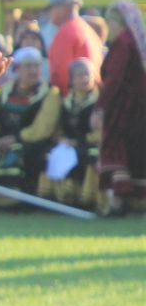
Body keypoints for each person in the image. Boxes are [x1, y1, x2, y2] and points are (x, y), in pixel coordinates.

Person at [0, 49, 59, 195]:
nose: (33, 70)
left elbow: (43, 128)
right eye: (28, 66)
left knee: (18, 153)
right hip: (0, 141)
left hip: (31, 143)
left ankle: (14, 199)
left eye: (37, 66)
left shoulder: (50, 94)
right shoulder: (3, 92)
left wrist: (16, 138)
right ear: (18, 69)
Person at [95, 0, 146, 216]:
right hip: (139, 107)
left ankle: (117, 203)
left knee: (116, 150)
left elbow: (114, 79)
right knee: (137, 152)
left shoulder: (122, 43)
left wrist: (100, 107)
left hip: (124, 107)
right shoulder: (135, 41)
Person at [41, 58, 101, 209]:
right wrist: (61, 138)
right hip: (68, 143)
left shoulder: (99, 102)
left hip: (92, 143)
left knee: (90, 155)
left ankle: (87, 199)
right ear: (72, 79)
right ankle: (57, 197)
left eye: (88, 74)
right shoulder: (66, 102)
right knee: (48, 153)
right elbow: (59, 127)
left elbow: (101, 131)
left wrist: (80, 141)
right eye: (80, 75)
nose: (85, 78)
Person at [45, 0, 103, 93]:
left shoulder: (67, 31)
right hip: (92, 93)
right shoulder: (87, 29)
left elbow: (60, 72)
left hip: (74, 97)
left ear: (65, 8)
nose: (50, 13)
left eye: (52, 8)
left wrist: (61, 97)